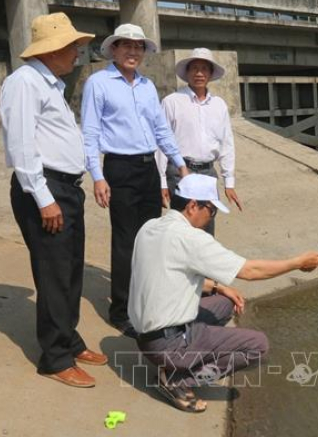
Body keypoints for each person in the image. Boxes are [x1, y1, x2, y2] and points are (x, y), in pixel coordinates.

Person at [128, 174, 318, 412]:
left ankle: (176, 362)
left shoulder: (150, 226)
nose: (211, 217)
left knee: (225, 302)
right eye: (211, 210)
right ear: (193, 206)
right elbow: (250, 271)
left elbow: (169, 277)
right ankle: (178, 380)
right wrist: (297, 262)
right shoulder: (190, 238)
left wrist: (220, 287)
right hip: (168, 344)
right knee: (258, 347)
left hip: (146, 336)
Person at [0, 12, 107, 388]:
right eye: (73, 47)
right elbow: (21, 145)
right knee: (54, 274)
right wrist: (44, 198)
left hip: (65, 189)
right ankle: (55, 358)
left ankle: (69, 340)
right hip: (44, 190)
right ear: (52, 49)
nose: (78, 52)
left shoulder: (51, 84)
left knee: (71, 270)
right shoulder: (25, 82)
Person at [81, 24, 189, 337]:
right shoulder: (98, 83)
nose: (132, 51)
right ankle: (122, 311)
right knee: (126, 241)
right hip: (119, 168)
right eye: (126, 45)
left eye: (138, 46)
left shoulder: (146, 86)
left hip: (147, 169)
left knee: (151, 239)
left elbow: (161, 130)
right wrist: (98, 176)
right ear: (113, 49)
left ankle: (148, 301)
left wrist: (179, 164)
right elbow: (89, 133)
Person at [158, 48, 241, 236]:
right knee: (181, 226)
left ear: (210, 74)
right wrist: (161, 181)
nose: (199, 73)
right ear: (187, 72)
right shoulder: (172, 101)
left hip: (207, 173)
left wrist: (229, 181)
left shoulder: (219, 105)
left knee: (206, 225)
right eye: (194, 68)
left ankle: (202, 265)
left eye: (204, 69)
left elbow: (226, 143)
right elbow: (162, 142)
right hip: (179, 172)